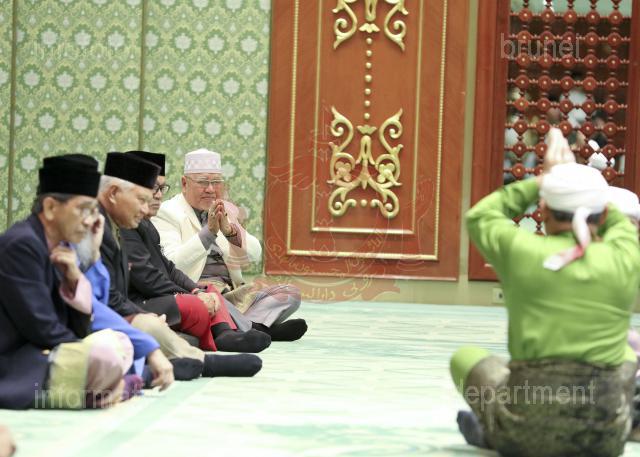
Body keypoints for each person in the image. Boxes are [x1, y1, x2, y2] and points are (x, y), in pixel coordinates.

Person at [451, 130, 640, 456]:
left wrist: (545, 180)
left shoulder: (522, 251)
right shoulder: (625, 256)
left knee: (465, 358)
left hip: (523, 434)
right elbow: (618, 221)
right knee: (625, 354)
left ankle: (495, 428)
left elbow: (480, 216)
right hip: (605, 441)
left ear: (544, 211)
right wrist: (581, 187)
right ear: (604, 215)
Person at [97, 152, 262, 379]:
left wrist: (229, 231)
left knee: (209, 294)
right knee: (178, 312)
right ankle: (212, 350)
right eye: (143, 198)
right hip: (127, 306)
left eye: (216, 182)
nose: (147, 206)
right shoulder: (104, 227)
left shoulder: (133, 223)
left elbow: (167, 268)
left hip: (214, 291)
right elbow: (144, 278)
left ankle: (228, 332)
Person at [0, 154, 133, 409]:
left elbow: (78, 329)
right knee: (103, 356)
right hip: (15, 361)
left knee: (117, 341)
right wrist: (84, 351)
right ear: (51, 207)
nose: (89, 221)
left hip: (43, 352)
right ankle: (115, 384)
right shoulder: (22, 245)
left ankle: (111, 384)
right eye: (83, 209)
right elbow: (43, 329)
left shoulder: (60, 248)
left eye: (93, 211)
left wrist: (74, 280)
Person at [152, 148, 307, 341]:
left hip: (230, 294)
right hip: (196, 293)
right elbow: (173, 264)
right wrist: (208, 233)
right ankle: (259, 329)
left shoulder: (222, 210)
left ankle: (237, 327)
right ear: (185, 183)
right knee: (209, 300)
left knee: (289, 294)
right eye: (203, 182)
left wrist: (231, 233)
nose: (210, 189)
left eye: (216, 182)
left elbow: (255, 254)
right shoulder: (167, 212)